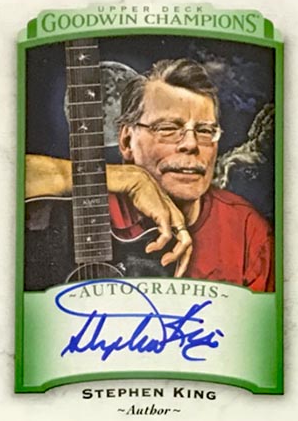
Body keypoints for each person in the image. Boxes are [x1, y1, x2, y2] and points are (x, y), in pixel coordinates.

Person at [26, 58, 274, 290]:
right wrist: (131, 179)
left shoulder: (246, 230)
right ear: (126, 141)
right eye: (167, 128)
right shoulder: (74, 209)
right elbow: (13, 175)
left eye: (205, 131)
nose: (191, 144)